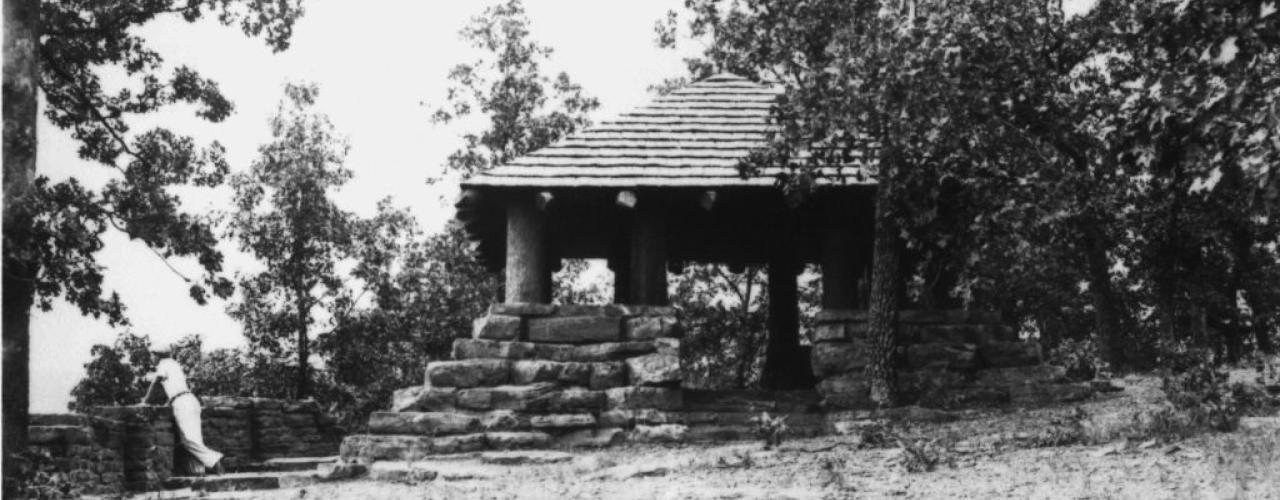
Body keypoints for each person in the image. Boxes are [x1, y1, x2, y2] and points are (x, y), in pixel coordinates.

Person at [141, 357, 225, 475]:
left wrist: (145, 401)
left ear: (156, 355)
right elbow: (174, 388)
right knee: (194, 439)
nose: (152, 358)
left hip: (183, 403)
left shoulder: (163, 363)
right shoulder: (173, 364)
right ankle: (199, 470)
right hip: (187, 400)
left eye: (153, 355)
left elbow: (156, 381)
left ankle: (215, 460)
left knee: (189, 440)